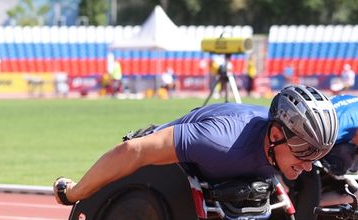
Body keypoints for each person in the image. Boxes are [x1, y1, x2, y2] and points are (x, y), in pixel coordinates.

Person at [53, 85, 340, 207]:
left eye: (316, 155)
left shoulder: (278, 146)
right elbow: (135, 152)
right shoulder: (219, 140)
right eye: (303, 151)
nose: (309, 164)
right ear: (276, 134)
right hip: (161, 164)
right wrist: (75, 192)